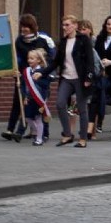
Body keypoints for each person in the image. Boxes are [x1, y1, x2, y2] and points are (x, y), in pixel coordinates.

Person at [36, 15, 96, 148]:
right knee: (60, 103)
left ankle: (83, 139)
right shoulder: (63, 42)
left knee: (81, 108)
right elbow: (56, 62)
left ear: (75, 26)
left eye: (67, 25)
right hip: (66, 78)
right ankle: (67, 134)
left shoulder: (83, 40)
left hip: (80, 79)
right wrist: (42, 72)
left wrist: (89, 77)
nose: (65, 27)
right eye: (63, 25)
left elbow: (90, 61)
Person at [1, 14, 55, 142]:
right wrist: (15, 69)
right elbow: (17, 58)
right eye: (22, 27)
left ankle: (40, 133)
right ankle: (11, 129)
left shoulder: (44, 38)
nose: (24, 29)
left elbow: (53, 57)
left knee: (38, 104)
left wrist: (47, 72)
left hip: (39, 77)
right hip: (23, 75)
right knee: (19, 101)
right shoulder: (19, 40)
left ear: (32, 26)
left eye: (27, 27)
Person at [20, 49, 51, 146]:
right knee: (28, 118)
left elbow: (46, 84)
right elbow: (25, 85)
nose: (29, 60)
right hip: (29, 98)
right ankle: (38, 131)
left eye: (32, 58)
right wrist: (25, 97)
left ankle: (39, 139)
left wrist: (38, 80)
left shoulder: (42, 71)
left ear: (38, 60)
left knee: (38, 118)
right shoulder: (27, 71)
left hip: (38, 98)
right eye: (28, 58)